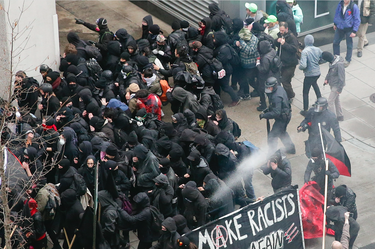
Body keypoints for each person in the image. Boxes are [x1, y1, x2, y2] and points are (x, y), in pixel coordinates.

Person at [259, 77, 296, 154]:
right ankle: (291, 149)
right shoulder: (279, 88)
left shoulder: (276, 97)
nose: (268, 89)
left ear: (274, 86)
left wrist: (265, 115)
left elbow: (276, 112)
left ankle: (272, 155)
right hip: (286, 115)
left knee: (272, 136)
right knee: (282, 133)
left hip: (282, 119)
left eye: (270, 87)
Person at [213, 31, 241, 107]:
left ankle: (236, 99)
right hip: (224, 69)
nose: (213, 40)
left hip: (225, 70)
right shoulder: (223, 46)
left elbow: (219, 61)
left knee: (225, 87)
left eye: (215, 39)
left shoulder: (224, 50)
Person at [236, 18, 260, 102]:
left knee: (250, 80)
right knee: (245, 79)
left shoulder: (254, 40)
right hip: (244, 63)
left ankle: (259, 91)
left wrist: (241, 42)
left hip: (250, 64)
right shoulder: (246, 38)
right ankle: (246, 93)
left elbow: (250, 51)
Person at [299, 35, 322, 116]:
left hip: (309, 74)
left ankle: (305, 110)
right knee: (315, 85)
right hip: (317, 73)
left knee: (305, 92)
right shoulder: (318, 49)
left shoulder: (305, 52)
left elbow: (303, 65)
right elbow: (322, 59)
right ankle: (320, 102)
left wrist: (299, 67)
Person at [275, 22, 299, 101]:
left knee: (285, 81)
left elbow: (294, 49)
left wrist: (284, 44)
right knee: (284, 80)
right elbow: (278, 46)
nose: (281, 32)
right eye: (280, 30)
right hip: (282, 62)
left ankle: (290, 95)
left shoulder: (292, 38)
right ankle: (287, 93)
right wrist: (277, 41)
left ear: (287, 29)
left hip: (290, 64)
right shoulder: (280, 35)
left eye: (282, 30)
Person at [333, 0, 360, 67]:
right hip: (340, 27)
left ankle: (348, 59)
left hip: (349, 28)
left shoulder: (353, 6)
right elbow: (337, 14)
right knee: (335, 42)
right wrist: (335, 23)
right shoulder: (340, 4)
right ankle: (337, 57)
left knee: (349, 45)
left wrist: (354, 31)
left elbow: (357, 19)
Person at [322, 51, 346, 121]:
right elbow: (330, 72)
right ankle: (340, 115)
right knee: (336, 100)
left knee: (330, 101)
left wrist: (339, 89)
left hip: (337, 85)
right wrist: (327, 79)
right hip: (332, 84)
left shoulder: (339, 64)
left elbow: (342, 78)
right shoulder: (332, 62)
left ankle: (332, 118)